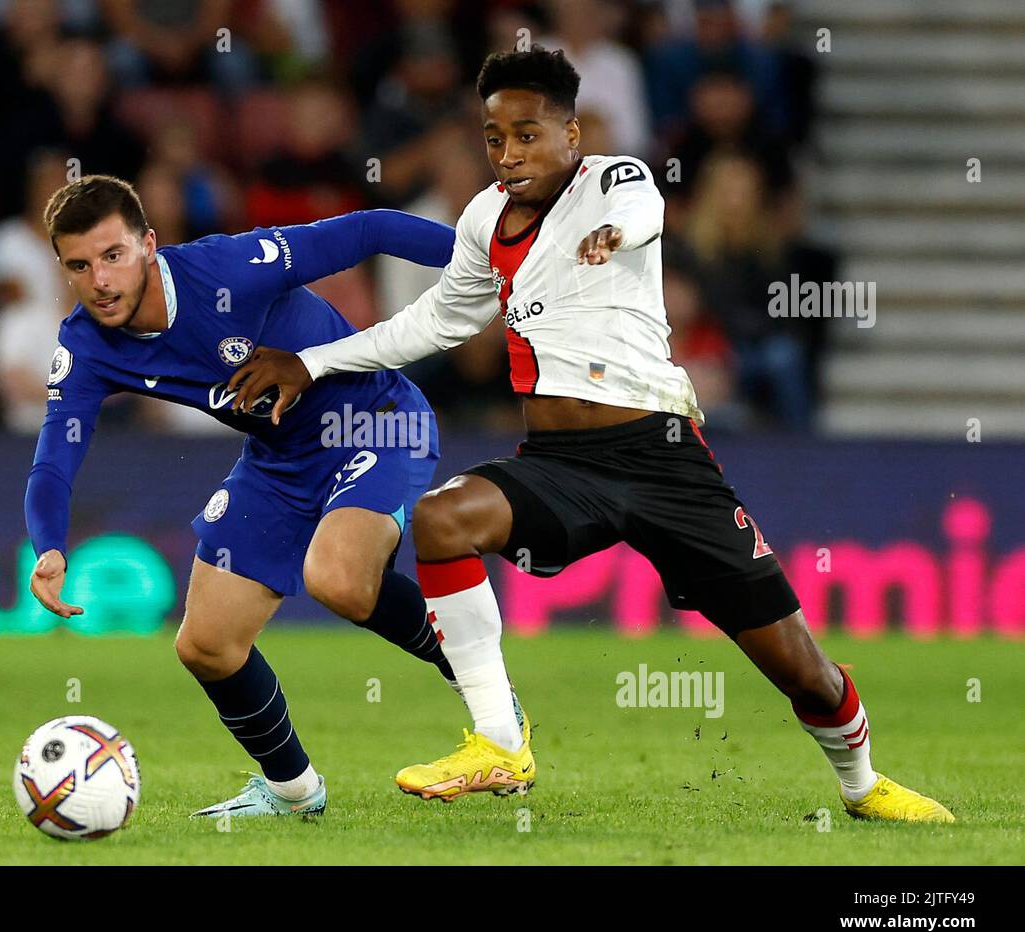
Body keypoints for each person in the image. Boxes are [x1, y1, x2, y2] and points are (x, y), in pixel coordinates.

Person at [227, 48, 953, 823]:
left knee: (798, 666)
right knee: (441, 519)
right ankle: (500, 742)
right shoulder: (482, 220)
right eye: (494, 138)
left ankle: (863, 785)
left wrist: (609, 232)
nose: (509, 154)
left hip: (662, 457)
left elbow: (645, 214)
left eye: (528, 135)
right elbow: (436, 321)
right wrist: (312, 360)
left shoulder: (615, 181)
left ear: (571, 134)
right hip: (561, 462)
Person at [23, 175, 523, 819]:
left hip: (375, 421)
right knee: (205, 645)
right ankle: (293, 793)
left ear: (148, 244)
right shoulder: (87, 345)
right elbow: (55, 455)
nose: (100, 281)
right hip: (280, 459)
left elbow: (370, 230)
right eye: (80, 266)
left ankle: (484, 689)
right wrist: (50, 546)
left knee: (340, 579)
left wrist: (496, 264)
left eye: (113, 255)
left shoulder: (229, 269)